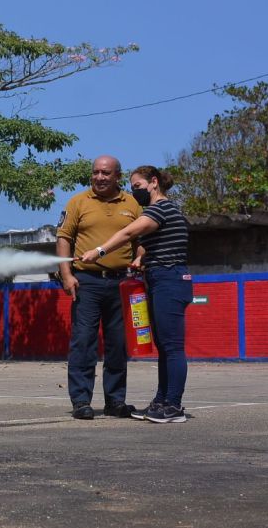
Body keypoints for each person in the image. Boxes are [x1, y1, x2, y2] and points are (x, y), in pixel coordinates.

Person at [81, 165, 193, 423]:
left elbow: (129, 232)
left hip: (169, 279)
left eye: (138, 186)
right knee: (164, 346)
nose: (135, 192)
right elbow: (155, 244)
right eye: (132, 188)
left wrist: (98, 251)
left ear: (154, 182)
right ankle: (161, 401)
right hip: (159, 278)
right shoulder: (160, 211)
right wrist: (141, 259)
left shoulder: (161, 208)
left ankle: (174, 406)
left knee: (172, 347)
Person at [56, 155, 142, 420]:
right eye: (96, 172)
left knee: (118, 343)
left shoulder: (132, 203)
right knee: (83, 342)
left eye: (106, 173)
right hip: (87, 282)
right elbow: (63, 238)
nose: (100, 177)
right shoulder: (78, 202)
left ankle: (115, 401)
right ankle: (81, 401)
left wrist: (140, 257)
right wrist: (67, 275)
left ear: (118, 176)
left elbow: (141, 238)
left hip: (121, 283)